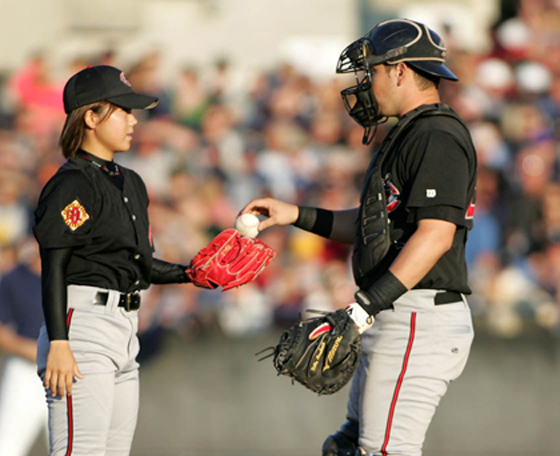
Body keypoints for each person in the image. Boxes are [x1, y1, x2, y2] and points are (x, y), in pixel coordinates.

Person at [241, 19, 477, 456]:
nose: (365, 83)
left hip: (417, 314)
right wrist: (296, 214)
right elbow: (375, 226)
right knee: (348, 447)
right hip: (397, 310)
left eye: (373, 71)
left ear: (401, 70)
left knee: (383, 450)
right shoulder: (409, 132)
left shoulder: (437, 135)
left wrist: (363, 309)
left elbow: (436, 236)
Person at [33, 65, 198, 455]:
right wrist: (59, 340)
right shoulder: (72, 183)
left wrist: (193, 273)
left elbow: (140, 266)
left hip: (125, 328)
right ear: (90, 117)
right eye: (122, 109)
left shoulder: (132, 182)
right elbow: (54, 265)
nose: (132, 119)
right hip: (82, 327)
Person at [0, 237, 47, 456]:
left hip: (70, 375)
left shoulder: (79, 278)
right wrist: (30, 350)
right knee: (4, 448)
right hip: (25, 372)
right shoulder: (15, 277)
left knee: (75, 450)